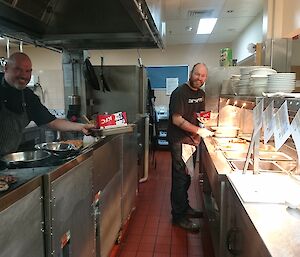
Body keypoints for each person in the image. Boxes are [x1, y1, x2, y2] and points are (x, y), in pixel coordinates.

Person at [0, 52, 94, 156]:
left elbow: (51, 122)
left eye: (28, 71)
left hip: (7, 158)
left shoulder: (28, 96)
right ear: (6, 68)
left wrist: (81, 127)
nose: (24, 75)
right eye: (18, 69)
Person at [167, 63, 213, 232]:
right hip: (180, 142)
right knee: (180, 179)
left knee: (186, 178)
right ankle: (178, 216)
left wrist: (203, 128)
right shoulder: (179, 93)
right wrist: (199, 131)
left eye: (203, 76)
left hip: (192, 141)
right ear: (191, 73)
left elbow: (200, 116)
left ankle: (184, 207)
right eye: (197, 74)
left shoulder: (201, 94)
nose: (199, 78)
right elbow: (177, 120)